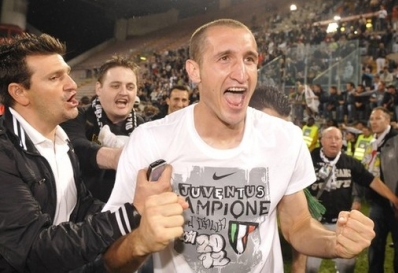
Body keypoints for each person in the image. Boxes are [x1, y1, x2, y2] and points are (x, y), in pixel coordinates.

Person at [103, 19, 376, 272]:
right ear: (194, 70)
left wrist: (334, 243)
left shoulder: (285, 138)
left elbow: (297, 226)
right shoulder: (151, 140)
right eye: (224, 58)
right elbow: (109, 256)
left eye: (249, 59)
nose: (241, 73)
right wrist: (139, 242)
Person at [0, 34, 186, 272]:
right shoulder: (5, 153)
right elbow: (35, 250)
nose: (72, 84)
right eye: (55, 78)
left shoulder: (59, 138)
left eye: (67, 73)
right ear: (19, 92)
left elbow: (80, 207)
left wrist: (140, 212)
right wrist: (131, 212)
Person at [301, 127, 398, 273]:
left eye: (337, 138)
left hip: (341, 225)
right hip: (315, 223)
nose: (334, 141)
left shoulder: (349, 162)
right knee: (310, 267)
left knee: (346, 266)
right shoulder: (309, 160)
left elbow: (372, 181)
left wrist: (395, 199)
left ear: (342, 141)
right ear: (321, 140)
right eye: (330, 137)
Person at [61, 56, 145, 202]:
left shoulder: (142, 125)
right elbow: (75, 146)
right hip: (84, 212)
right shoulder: (79, 116)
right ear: (99, 89)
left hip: (130, 211)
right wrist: (116, 158)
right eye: (115, 85)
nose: (124, 92)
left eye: (130, 87)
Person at [363, 106, 398, 273]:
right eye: (372, 119)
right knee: (374, 246)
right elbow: (365, 172)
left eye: (378, 118)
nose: (374, 122)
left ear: (388, 120)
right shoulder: (371, 143)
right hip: (376, 204)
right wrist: (358, 197)